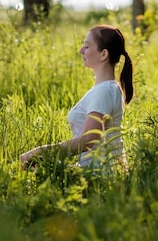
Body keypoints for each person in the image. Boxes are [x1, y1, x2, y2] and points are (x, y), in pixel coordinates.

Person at [20, 24, 134, 171]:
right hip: (95, 169)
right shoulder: (107, 88)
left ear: (103, 54)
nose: (81, 51)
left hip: (101, 175)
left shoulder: (105, 91)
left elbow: (88, 140)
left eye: (87, 46)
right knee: (37, 167)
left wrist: (40, 153)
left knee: (33, 164)